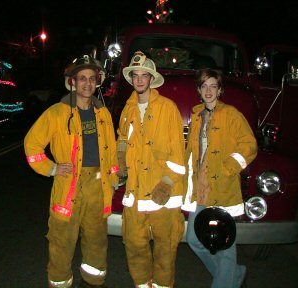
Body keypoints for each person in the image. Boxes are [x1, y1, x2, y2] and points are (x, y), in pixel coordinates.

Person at [24, 55, 119, 288]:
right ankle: (59, 283)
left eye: (92, 79)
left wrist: (113, 177)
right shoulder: (57, 112)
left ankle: (95, 281)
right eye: (82, 78)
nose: (87, 83)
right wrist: (52, 168)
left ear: (98, 82)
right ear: (73, 82)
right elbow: (32, 144)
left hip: (97, 185)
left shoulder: (103, 114)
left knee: (97, 240)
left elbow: (112, 151)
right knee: (62, 241)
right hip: (69, 186)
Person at [182, 68, 257, 288]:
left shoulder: (232, 114)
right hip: (201, 188)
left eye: (213, 86)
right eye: (204, 86)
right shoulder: (197, 116)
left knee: (225, 246)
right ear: (199, 90)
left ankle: (225, 282)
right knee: (195, 239)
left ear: (220, 89)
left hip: (223, 187)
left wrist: (228, 168)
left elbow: (249, 145)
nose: (208, 90)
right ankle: (232, 276)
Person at [117, 51, 186, 288]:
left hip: (162, 194)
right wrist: (120, 160)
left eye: (143, 75)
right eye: (135, 75)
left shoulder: (168, 108)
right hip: (135, 193)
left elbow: (178, 151)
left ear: (151, 79)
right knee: (134, 246)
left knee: (165, 250)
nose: (139, 80)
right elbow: (123, 139)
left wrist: (167, 183)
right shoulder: (128, 110)